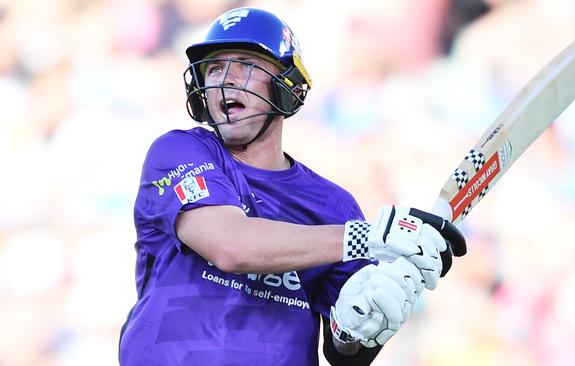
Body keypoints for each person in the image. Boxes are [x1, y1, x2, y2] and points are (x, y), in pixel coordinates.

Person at [118, 6, 466, 366]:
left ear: (286, 85)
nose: (225, 80)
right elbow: (231, 245)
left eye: (244, 64)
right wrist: (368, 237)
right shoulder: (179, 150)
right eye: (215, 68)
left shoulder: (333, 206)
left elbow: (346, 355)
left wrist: (363, 324)